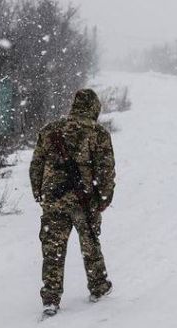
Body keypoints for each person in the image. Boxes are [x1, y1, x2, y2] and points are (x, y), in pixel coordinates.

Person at [29, 88, 115, 317]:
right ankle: (98, 286)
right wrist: (104, 199)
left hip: (53, 199)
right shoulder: (98, 133)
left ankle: (51, 296)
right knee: (91, 244)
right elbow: (105, 170)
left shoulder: (51, 129)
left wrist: (38, 192)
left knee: (52, 249)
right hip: (84, 200)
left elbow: (36, 164)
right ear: (94, 108)